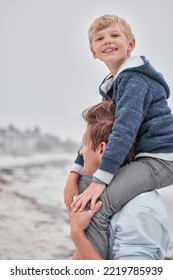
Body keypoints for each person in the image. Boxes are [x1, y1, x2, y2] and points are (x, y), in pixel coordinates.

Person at [64, 14, 173, 258]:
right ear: (93, 51)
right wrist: (75, 172)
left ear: (131, 44)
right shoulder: (116, 83)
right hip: (145, 158)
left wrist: (100, 181)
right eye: (99, 38)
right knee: (85, 189)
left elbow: (124, 131)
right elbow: (98, 130)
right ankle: (80, 256)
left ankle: (94, 265)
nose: (107, 41)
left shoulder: (134, 80)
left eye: (115, 35)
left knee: (95, 206)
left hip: (161, 160)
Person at [69, 100, 170, 260]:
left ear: (102, 149)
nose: (81, 153)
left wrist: (78, 236)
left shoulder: (140, 211)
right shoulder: (100, 196)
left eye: (85, 145)